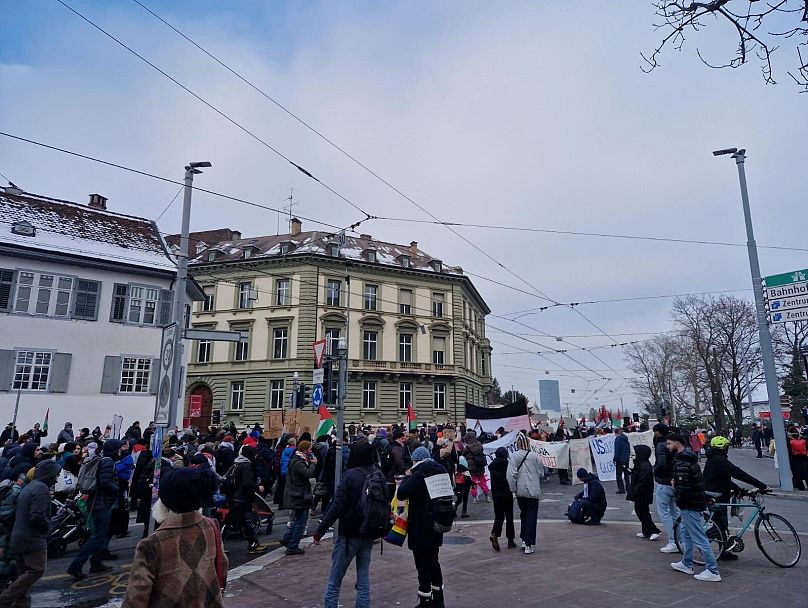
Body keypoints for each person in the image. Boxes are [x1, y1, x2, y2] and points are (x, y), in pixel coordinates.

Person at [122, 466, 226, 608]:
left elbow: (137, 597)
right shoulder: (211, 527)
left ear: (166, 499)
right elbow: (222, 568)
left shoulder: (152, 544)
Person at [312, 440, 385, 608]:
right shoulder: (378, 474)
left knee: (336, 577)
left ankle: (331, 605)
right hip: (370, 531)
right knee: (363, 576)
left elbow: (337, 506)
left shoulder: (350, 475)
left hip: (349, 533)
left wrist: (320, 531)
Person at [0, 459, 60, 607]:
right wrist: (49, 526)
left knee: (23, 576)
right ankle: (4, 598)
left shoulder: (29, 487)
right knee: (36, 570)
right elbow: (37, 517)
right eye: (55, 475)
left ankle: (22, 604)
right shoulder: (41, 489)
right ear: (48, 474)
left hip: (18, 539)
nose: (56, 479)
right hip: (32, 540)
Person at [397, 446, 448, 608]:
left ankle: (425, 600)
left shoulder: (419, 474)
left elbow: (402, 493)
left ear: (416, 460)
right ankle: (439, 599)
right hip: (437, 523)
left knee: (422, 564)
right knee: (434, 561)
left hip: (420, 525)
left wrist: (407, 476)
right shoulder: (440, 470)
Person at [703, 435, 769, 559]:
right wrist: (761, 485)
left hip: (716, 492)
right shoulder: (719, 460)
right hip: (716, 495)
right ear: (724, 448)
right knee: (720, 525)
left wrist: (739, 490)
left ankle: (723, 551)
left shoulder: (713, 458)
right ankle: (701, 542)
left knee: (721, 524)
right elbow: (738, 473)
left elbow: (722, 479)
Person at [668, 433, 721, 582]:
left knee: (699, 537)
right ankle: (687, 563)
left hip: (689, 504)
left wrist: (675, 487)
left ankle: (713, 570)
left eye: (669, 443)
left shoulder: (682, 463)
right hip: (693, 502)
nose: (668, 447)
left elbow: (684, 488)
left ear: (677, 443)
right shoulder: (689, 459)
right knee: (686, 533)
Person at [67, 439, 121, 579]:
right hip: (101, 503)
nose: (121, 451)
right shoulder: (108, 462)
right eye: (119, 448)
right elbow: (104, 482)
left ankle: (95, 562)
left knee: (99, 535)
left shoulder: (102, 460)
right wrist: (117, 489)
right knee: (97, 536)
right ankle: (76, 566)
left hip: (97, 502)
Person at [507, 432, 542, 555]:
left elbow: (511, 475)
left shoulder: (514, 456)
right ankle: (528, 542)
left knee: (524, 514)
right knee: (531, 516)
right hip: (533, 490)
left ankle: (524, 539)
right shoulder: (535, 456)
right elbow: (541, 472)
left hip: (520, 490)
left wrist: (513, 490)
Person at [281, 435, 317, 555]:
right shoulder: (298, 462)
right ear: (305, 450)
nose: (311, 451)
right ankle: (292, 546)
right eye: (310, 449)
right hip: (299, 495)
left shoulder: (297, 459)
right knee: (300, 522)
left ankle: (287, 539)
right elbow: (308, 473)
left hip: (297, 494)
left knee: (297, 520)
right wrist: (313, 463)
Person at [230, 445, 268, 554]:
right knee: (247, 522)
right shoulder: (246, 466)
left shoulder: (237, 463)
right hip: (242, 498)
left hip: (234, 497)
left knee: (231, 523)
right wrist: (258, 487)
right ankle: (253, 544)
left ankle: (253, 544)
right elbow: (247, 483)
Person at [653, 423, 679, 554]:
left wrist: (656, 472)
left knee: (664, 512)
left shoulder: (661, 445)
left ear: (658, 432)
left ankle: (673, 541)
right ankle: (680, 540)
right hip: (675, 480)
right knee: (675, 512)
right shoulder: (674, 443)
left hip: (664, 481)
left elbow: (662, 464)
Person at [626, 445, 661, 540]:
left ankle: (653, 530)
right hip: (641, 492)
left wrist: (635, 490)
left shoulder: (644, 465)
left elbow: (643, 480)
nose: (634, 454)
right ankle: (646, 531)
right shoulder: (640, 463)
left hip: (642, 493)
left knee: (641, 511)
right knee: (643, 511)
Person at [488, 447, 516, 551]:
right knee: (509, 516)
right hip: (507, 493)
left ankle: (495, 533)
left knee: (499, 516)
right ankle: (510, 540)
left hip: (496, 494)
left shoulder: (492, 466)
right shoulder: (508, 464)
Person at [462, 431, 490, 503]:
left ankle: (474, 498)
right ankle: (487, 496)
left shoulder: (467, 446)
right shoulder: (479, 444)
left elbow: (463, 454)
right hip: (480, 465)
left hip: (472, 467)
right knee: (483, 482)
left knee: (473, 483)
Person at [613, 427, 631, 495]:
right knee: (626, 474)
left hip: (620, 459)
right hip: (626, 459)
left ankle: (621, 489)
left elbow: (617, 450)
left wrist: (615, 459)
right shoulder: (625, 438)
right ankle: (628, 488)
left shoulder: (618, 439)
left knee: (618, 475)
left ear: (616, 433)